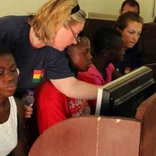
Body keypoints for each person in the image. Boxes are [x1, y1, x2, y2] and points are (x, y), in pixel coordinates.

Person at [0, 0, 99, 101]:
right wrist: (13, 104)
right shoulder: (7, 30)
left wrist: (104, 94)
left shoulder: (53, 49)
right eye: (75, 34)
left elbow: (70, 86)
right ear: (58, 23)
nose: (74, 41)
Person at [36, 36, 93, 134]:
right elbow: (57, 137)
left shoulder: (84, 80)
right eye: (85, 53)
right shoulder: (50, 92)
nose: (90, 57)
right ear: (66, 55)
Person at [78, 27, 124, 110]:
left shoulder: (109, 66)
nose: (123, 52)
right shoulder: (90, 75)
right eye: (119, 50)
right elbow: (99, 107)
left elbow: (123, 81)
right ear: (106, 52)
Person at [0, 45, 27, 155]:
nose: (10, 77)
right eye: (0, 73)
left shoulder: (17, 107)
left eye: (13, 70)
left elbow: (19, 149)